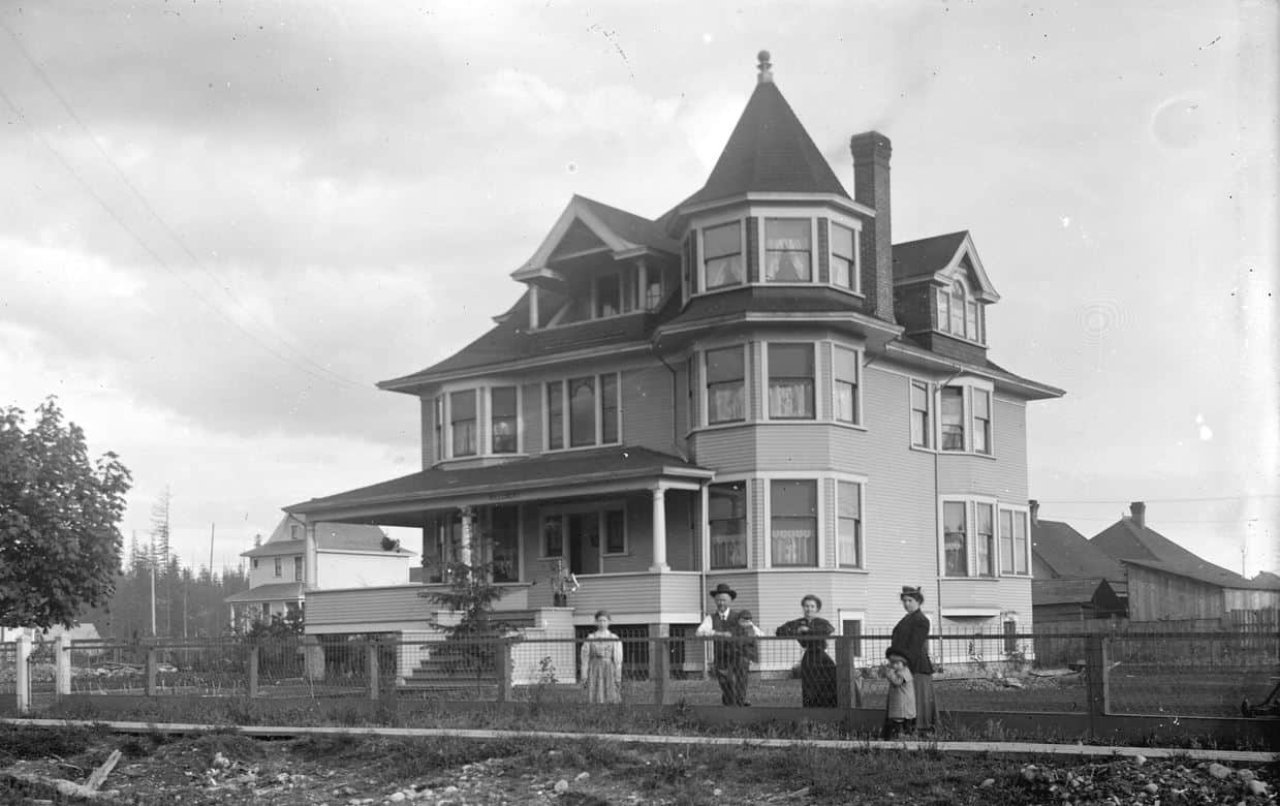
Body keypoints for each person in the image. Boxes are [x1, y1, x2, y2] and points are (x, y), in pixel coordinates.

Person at [696, 582, 764, 706]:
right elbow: (699, 632)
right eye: (718, 600)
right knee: (726, 685)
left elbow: (758, 633)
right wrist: (719, 634)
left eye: (724, 600)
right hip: (721, 657)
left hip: (738, 656)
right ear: (715, 601)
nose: (721, 603)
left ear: (730, 601)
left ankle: (740, 704)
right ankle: (730, 707)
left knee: (740, 681)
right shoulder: (710, 618)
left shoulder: (739, 616)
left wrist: (749, 629)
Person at [774, 594, 837, 707]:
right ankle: (810, 709)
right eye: (806, 606)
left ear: (817, 609)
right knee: (809, 685)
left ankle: (829, 707)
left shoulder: (822, 622)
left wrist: (808, 630)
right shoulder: (798, 622)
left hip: (822, 656)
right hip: (808, 656)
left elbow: (827, 630)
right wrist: (796, 630)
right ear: (803, 607)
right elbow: (780, 631)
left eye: (812, 606)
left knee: (829, 681)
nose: (809, 609)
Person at [891, 585, 938, 732]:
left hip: (916, 666)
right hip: (903, 664)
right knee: (904, 700)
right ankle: (907, 730)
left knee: (917, 700)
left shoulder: (921, 620)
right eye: (904, 601)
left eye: (910, 600)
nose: (906, 604)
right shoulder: (907, 619)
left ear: (918, 601)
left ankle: (921, 730)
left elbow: (914, 646)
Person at [579, 609, 623, 704]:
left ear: (609, 622)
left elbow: (618, 659)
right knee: (595, 690)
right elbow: (585, 658)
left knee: (610, 690)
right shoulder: (591, 637)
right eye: (600, 620)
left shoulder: (614, 638)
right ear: (596, 622)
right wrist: (584, 675)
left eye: (604, 620)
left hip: (609, 668)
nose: (602, 623)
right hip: (594, 668)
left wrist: (618, 676)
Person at [882, 647, 916, 739]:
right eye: (892, 663)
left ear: (904, 663)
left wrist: (890, 674)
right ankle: (900, 736)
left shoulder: (904, 672)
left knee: (901, 723)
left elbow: (897, 682)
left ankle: (903, 737)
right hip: (900, 705)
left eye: (897, 663)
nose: (894, 666)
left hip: (903, 706)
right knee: (898, 723)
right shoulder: (899, 671)